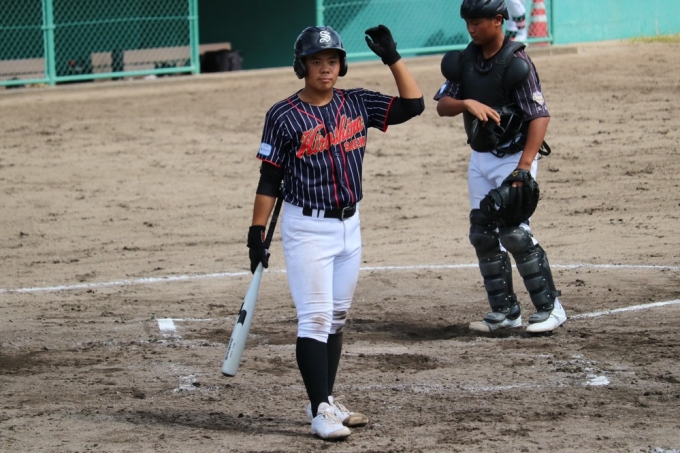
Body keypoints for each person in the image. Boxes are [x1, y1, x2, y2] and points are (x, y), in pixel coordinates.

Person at [247, 25, 424, 439]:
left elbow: (413, 105)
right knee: (315, 318)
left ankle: (325, 400)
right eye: (316, 62)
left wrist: (393, 58)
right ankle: (320, 412)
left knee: (337, 319)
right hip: (307, 227)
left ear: (341, 66)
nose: (325, 69)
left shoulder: (356, 102)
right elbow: (270, 178)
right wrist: (256, 232)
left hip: (350, 226)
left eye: (332, 61)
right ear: (302, 66)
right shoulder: (283, 115)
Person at [434, 0, 566, 334]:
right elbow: (443, 105)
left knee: (514, 232)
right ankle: (505, 312)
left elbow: (539, 116)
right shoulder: (465, 60)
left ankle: (551, 308)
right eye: (467, 22)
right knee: (482, 233)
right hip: (480, 159)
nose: (471, 28)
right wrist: (466, 102)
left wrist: (524, 167)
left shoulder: (516, 62)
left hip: (513, 158)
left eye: (477, 22)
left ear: (497, 20)